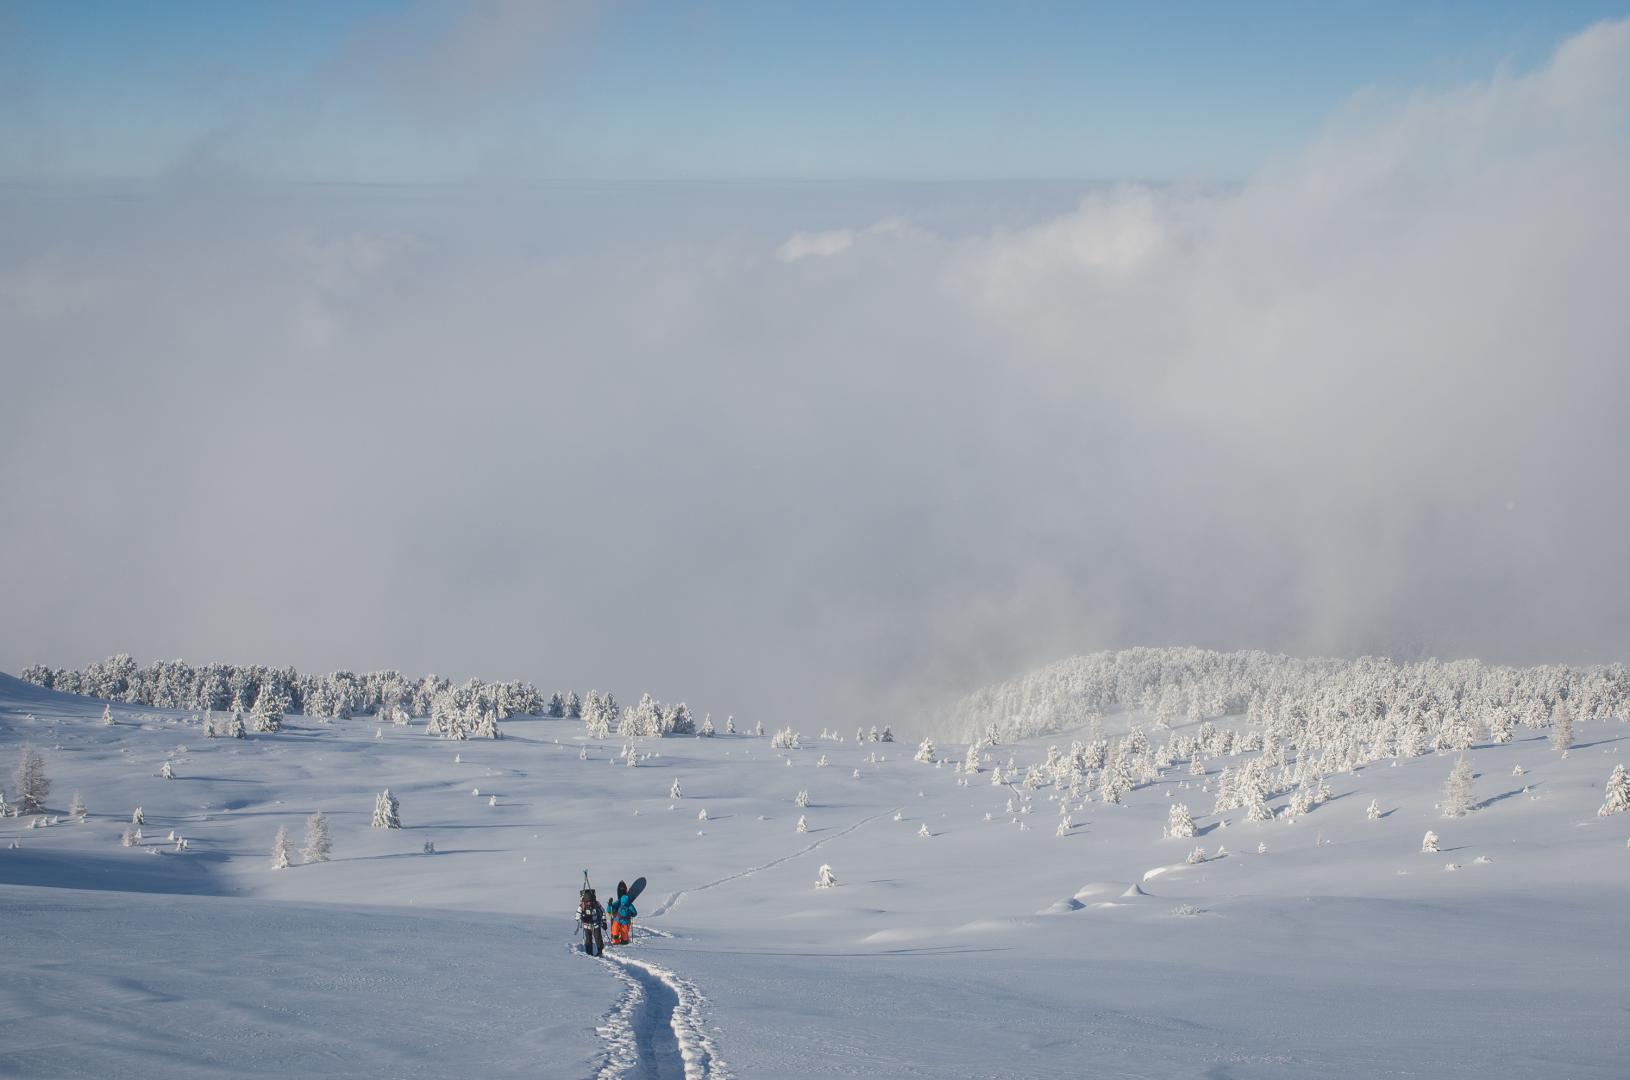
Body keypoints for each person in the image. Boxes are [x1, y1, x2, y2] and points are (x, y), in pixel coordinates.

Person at [607, 879, 637, 946]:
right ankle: (623, 941)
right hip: (624, 921)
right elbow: (635, 913)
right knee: (624, 935)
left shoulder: (618, 902)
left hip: (617, 920)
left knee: (615, 932)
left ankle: (616, 941)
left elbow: (609, 910)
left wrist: (609, 905)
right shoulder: (629, 904)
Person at [578, 886, 606, 956]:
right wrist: (582, 918)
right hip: (587, 925)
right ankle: (589, 953)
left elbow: (603, 912)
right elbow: (577, 915)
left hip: (596, 924)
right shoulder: (582, 905)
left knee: (597, 938)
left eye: (590, 901)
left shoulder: (596, 904)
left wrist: (604, 922)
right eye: (587, 902)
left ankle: (600, 952)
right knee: (589, 939)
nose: (589, 903)